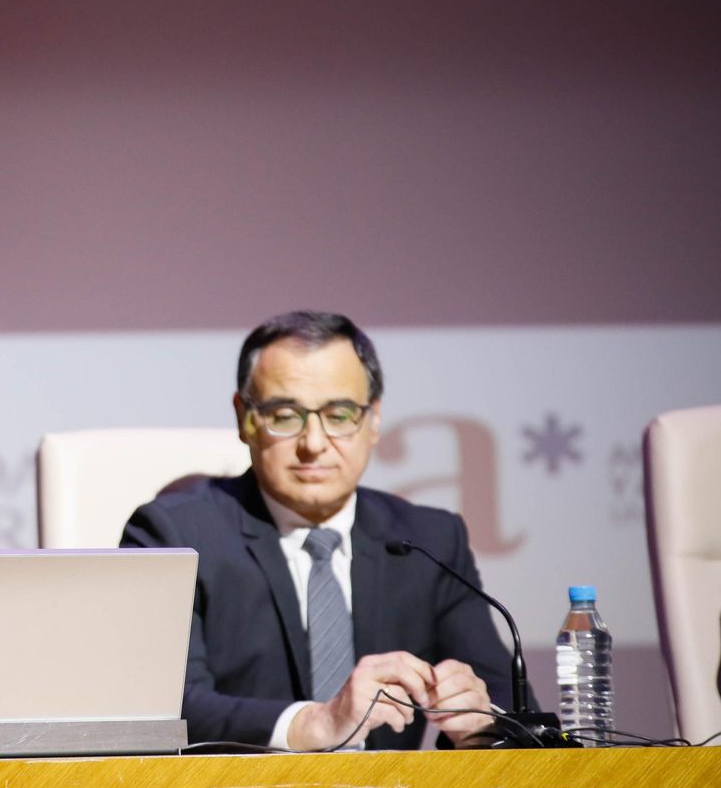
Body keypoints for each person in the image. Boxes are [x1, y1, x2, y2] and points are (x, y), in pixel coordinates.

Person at [122, 311, 522, 751]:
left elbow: (513, 711)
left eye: (340, 414)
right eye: (285, 414)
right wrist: (314, 723)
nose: (314, 443)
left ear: (372, 421)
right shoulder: (174, 535)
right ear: (244, 418)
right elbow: (165, 710)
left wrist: (481, 726)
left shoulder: (428, 541)